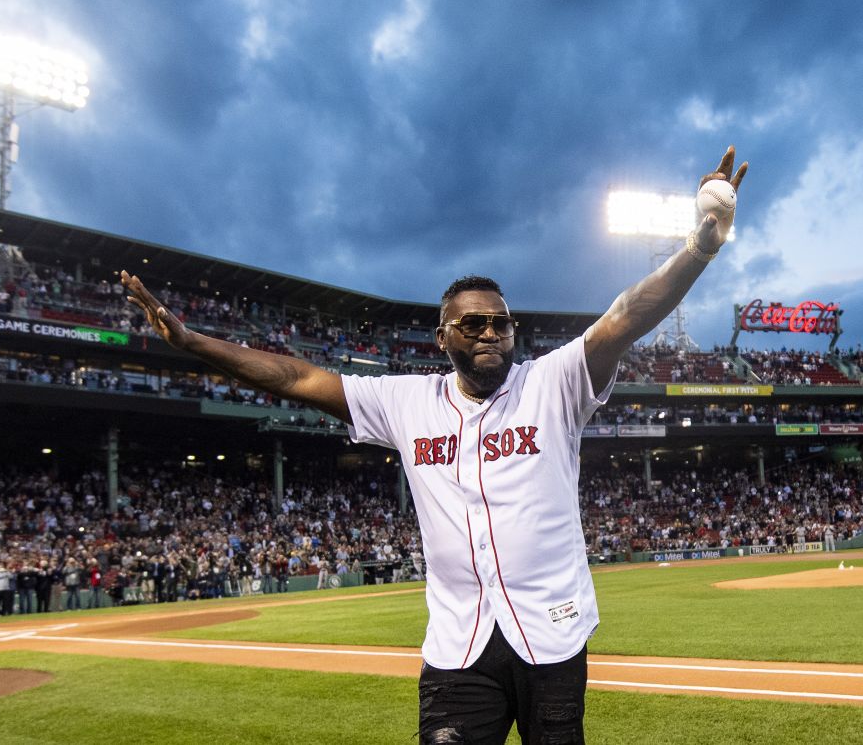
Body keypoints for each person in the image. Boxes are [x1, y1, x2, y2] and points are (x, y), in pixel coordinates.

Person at [121, 147, 748, 745]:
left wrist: (699, 245)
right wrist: (194, 342)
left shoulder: (553, 382)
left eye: (501, 322)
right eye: (472, 323)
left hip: (551, 636)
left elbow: (624, 316)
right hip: (458, 647)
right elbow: (297, 377)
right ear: (442, 335)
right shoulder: (407, 402)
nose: (490, 333)